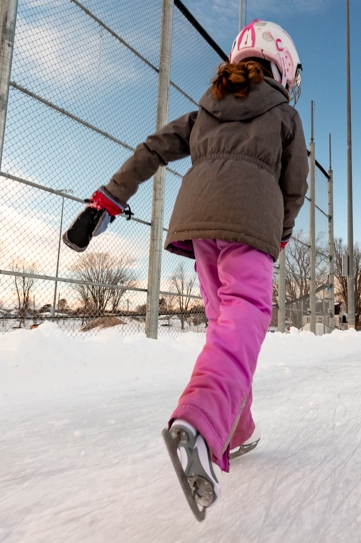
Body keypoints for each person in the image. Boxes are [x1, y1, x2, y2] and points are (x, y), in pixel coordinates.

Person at [63, 20, 308, 520]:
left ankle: (237, 430)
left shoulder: (205, 109)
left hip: (197, 228)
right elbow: (295, 185)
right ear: (283, 69)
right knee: (246, 319)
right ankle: (201, 419)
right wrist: (278, 236)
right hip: (250, 224)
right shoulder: (284, 114)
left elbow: (153, 149)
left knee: (226, 329)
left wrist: (106, 203)